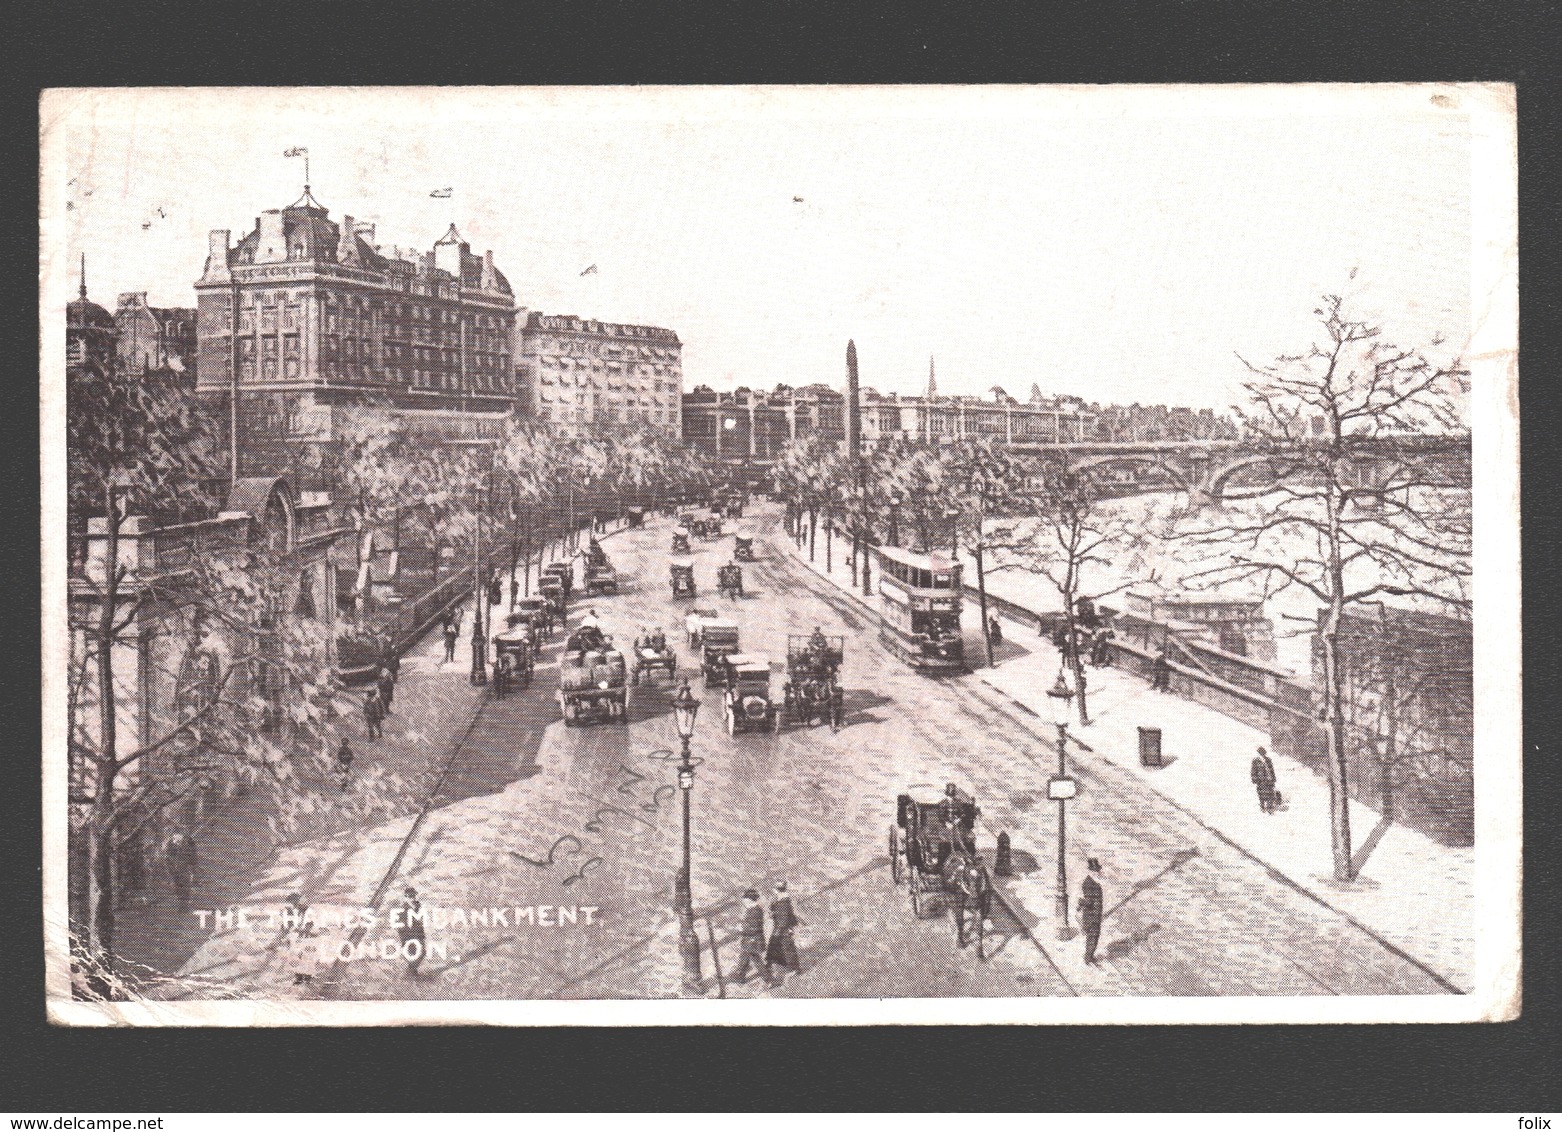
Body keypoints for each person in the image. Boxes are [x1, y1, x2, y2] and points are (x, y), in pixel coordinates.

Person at [732, 889, 775, 987]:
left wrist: (740, 929)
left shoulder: (755, 911)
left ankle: (768, 980)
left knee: (754, 960)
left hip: (752, 941)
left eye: (746, 902)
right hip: (751, 941)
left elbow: (753, 928)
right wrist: (742, 924)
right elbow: (750, 924)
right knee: (746, 958)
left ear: (750, 901)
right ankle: (741, 976)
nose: (744, 904)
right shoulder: (754, 909)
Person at [766, 880, 801, 983]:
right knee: (777, 946)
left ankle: (794, 969)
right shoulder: (782, 899)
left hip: (783, 929)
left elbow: (784, 918)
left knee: (788, 949)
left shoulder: (783, 902)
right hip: (781, 927)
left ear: (778, 890)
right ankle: (771, 963)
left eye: (775, 889)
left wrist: (780, 929)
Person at [282, 893, 318, 986]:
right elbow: (290, 924)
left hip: (308, 937)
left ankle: (307, 978)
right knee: (296, 956)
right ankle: (299, 977)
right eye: (292, 903)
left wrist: (301, 932)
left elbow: (310, 925)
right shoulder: (294, 911)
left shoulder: (309, 911)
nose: (294, 905)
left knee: (307, 956)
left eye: (295, 902)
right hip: (298, 936)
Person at [1078, 857, 1104, 965]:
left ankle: (1090, 956)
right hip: (1091, 916)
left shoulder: (1093, 881)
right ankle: (1088, 958)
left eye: (1097, 870)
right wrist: (1083, 902)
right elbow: (1088, 901)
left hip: (1095, 915)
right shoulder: (1088, 883)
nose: (1097, 872)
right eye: (1095, 870)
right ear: (1091, 871)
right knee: (1092, 938)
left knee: (1095, 937)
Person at [396, 886, 427, 976]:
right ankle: (412, 971)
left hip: (418, 934)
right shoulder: (403, 909)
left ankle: (411, 970)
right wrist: (404, 938)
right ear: (405, 897)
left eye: (413, 896)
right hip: (408, 936)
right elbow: (400, 926)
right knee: (412, 954)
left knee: (422, 952)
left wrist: (422, 934)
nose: (412, 898)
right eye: (409, 896)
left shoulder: (417, 906)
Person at [166, 830, 197, 912]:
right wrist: (171, 869)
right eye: (175, 836)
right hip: (176, 869)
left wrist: (192, 867)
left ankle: (185, 905)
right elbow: (168, 857)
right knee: (178, 887)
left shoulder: (188, 842)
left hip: (185, 868)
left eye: (178, 836)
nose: (176, 838)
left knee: (186, 886)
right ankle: (181, 905)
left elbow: (193, 855)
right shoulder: (171, 844)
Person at [1251, 746, 1280, 813]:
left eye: (1263, 753)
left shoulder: (1268, 760)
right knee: (1262, 794)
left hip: (1269, 780)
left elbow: (1272, 770)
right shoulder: (1256, 761)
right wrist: (1255, 779)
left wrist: (1273, 778)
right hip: (1261, 781)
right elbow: (1253, 771)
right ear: (1259, 753)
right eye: (1261, 753)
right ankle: (1262, 808)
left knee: (1270, 794)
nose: (1262, 754)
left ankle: (1270, 809)